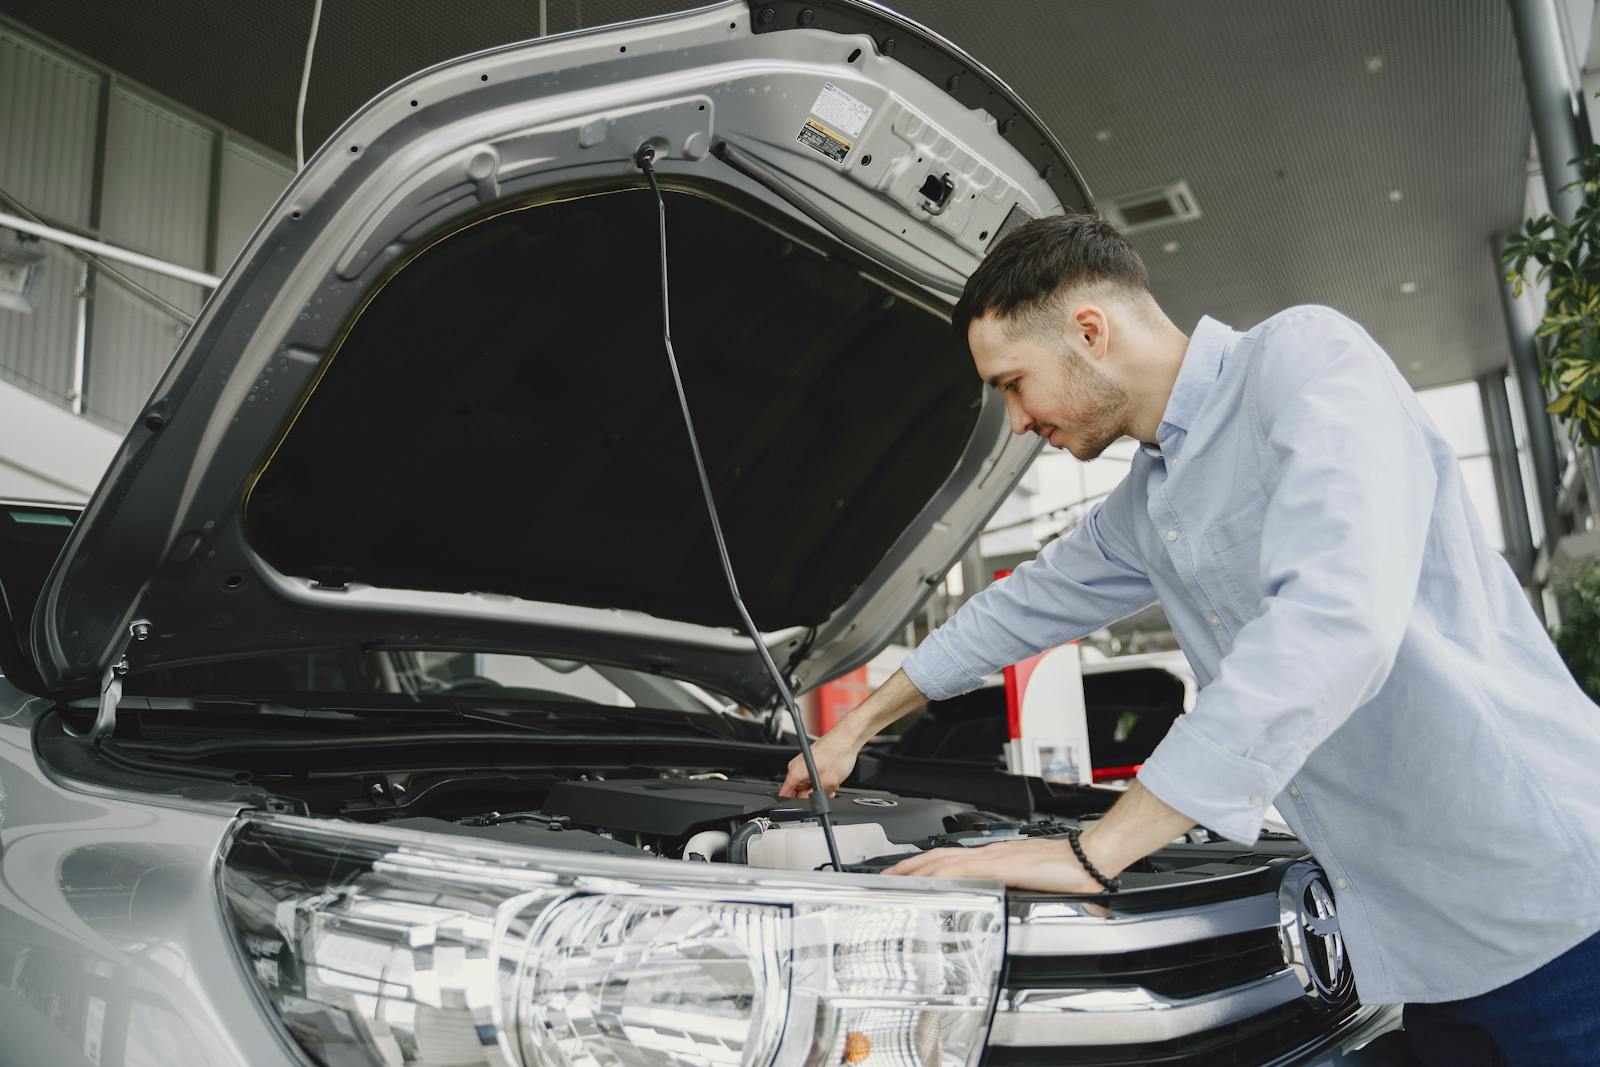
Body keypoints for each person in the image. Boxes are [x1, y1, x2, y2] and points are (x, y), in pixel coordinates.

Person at [778, 214, 1600, 1064]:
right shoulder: (1150, 498)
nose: (1017, 420)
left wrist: (1093, 853)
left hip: (1556, 918)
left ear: (1090, 332)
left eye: (1015, 383)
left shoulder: (1305, 361)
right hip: (1426, 950)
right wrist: (857, 725)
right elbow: (1020, 606)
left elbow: (1333, 628)